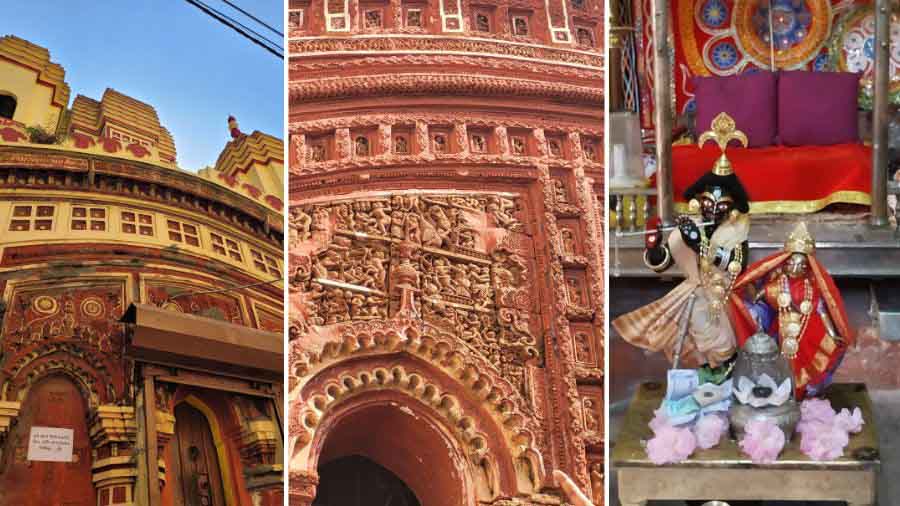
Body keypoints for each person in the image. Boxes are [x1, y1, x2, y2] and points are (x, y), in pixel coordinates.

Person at [612, 112, 751, 369]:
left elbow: (737, 265)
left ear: (732, 208)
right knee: (692, 338)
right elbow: (663, 261)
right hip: (693, 292)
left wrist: (700, 244)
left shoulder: (737, 231)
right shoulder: (692, 225)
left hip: (725, 295)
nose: (713, 210)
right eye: (708, 203)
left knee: (720, 340)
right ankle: (707, 372)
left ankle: (725, 367)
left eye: (721, 205)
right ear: (700, 202)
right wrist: (653, 247)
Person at [728, 222, 853, 399]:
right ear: (785, 263)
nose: (795, 268)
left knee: (817, 361)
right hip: (780, 332)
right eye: (791, 263)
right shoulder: (777, 283)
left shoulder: (813, 286)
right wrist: (747, 294)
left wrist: (833, 333)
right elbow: (756, 298)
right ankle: (782, 392)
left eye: (800, 265)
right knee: (777, 364)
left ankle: (804, 394)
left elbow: (823, 311)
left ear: (808, 267)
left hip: (808, 330)